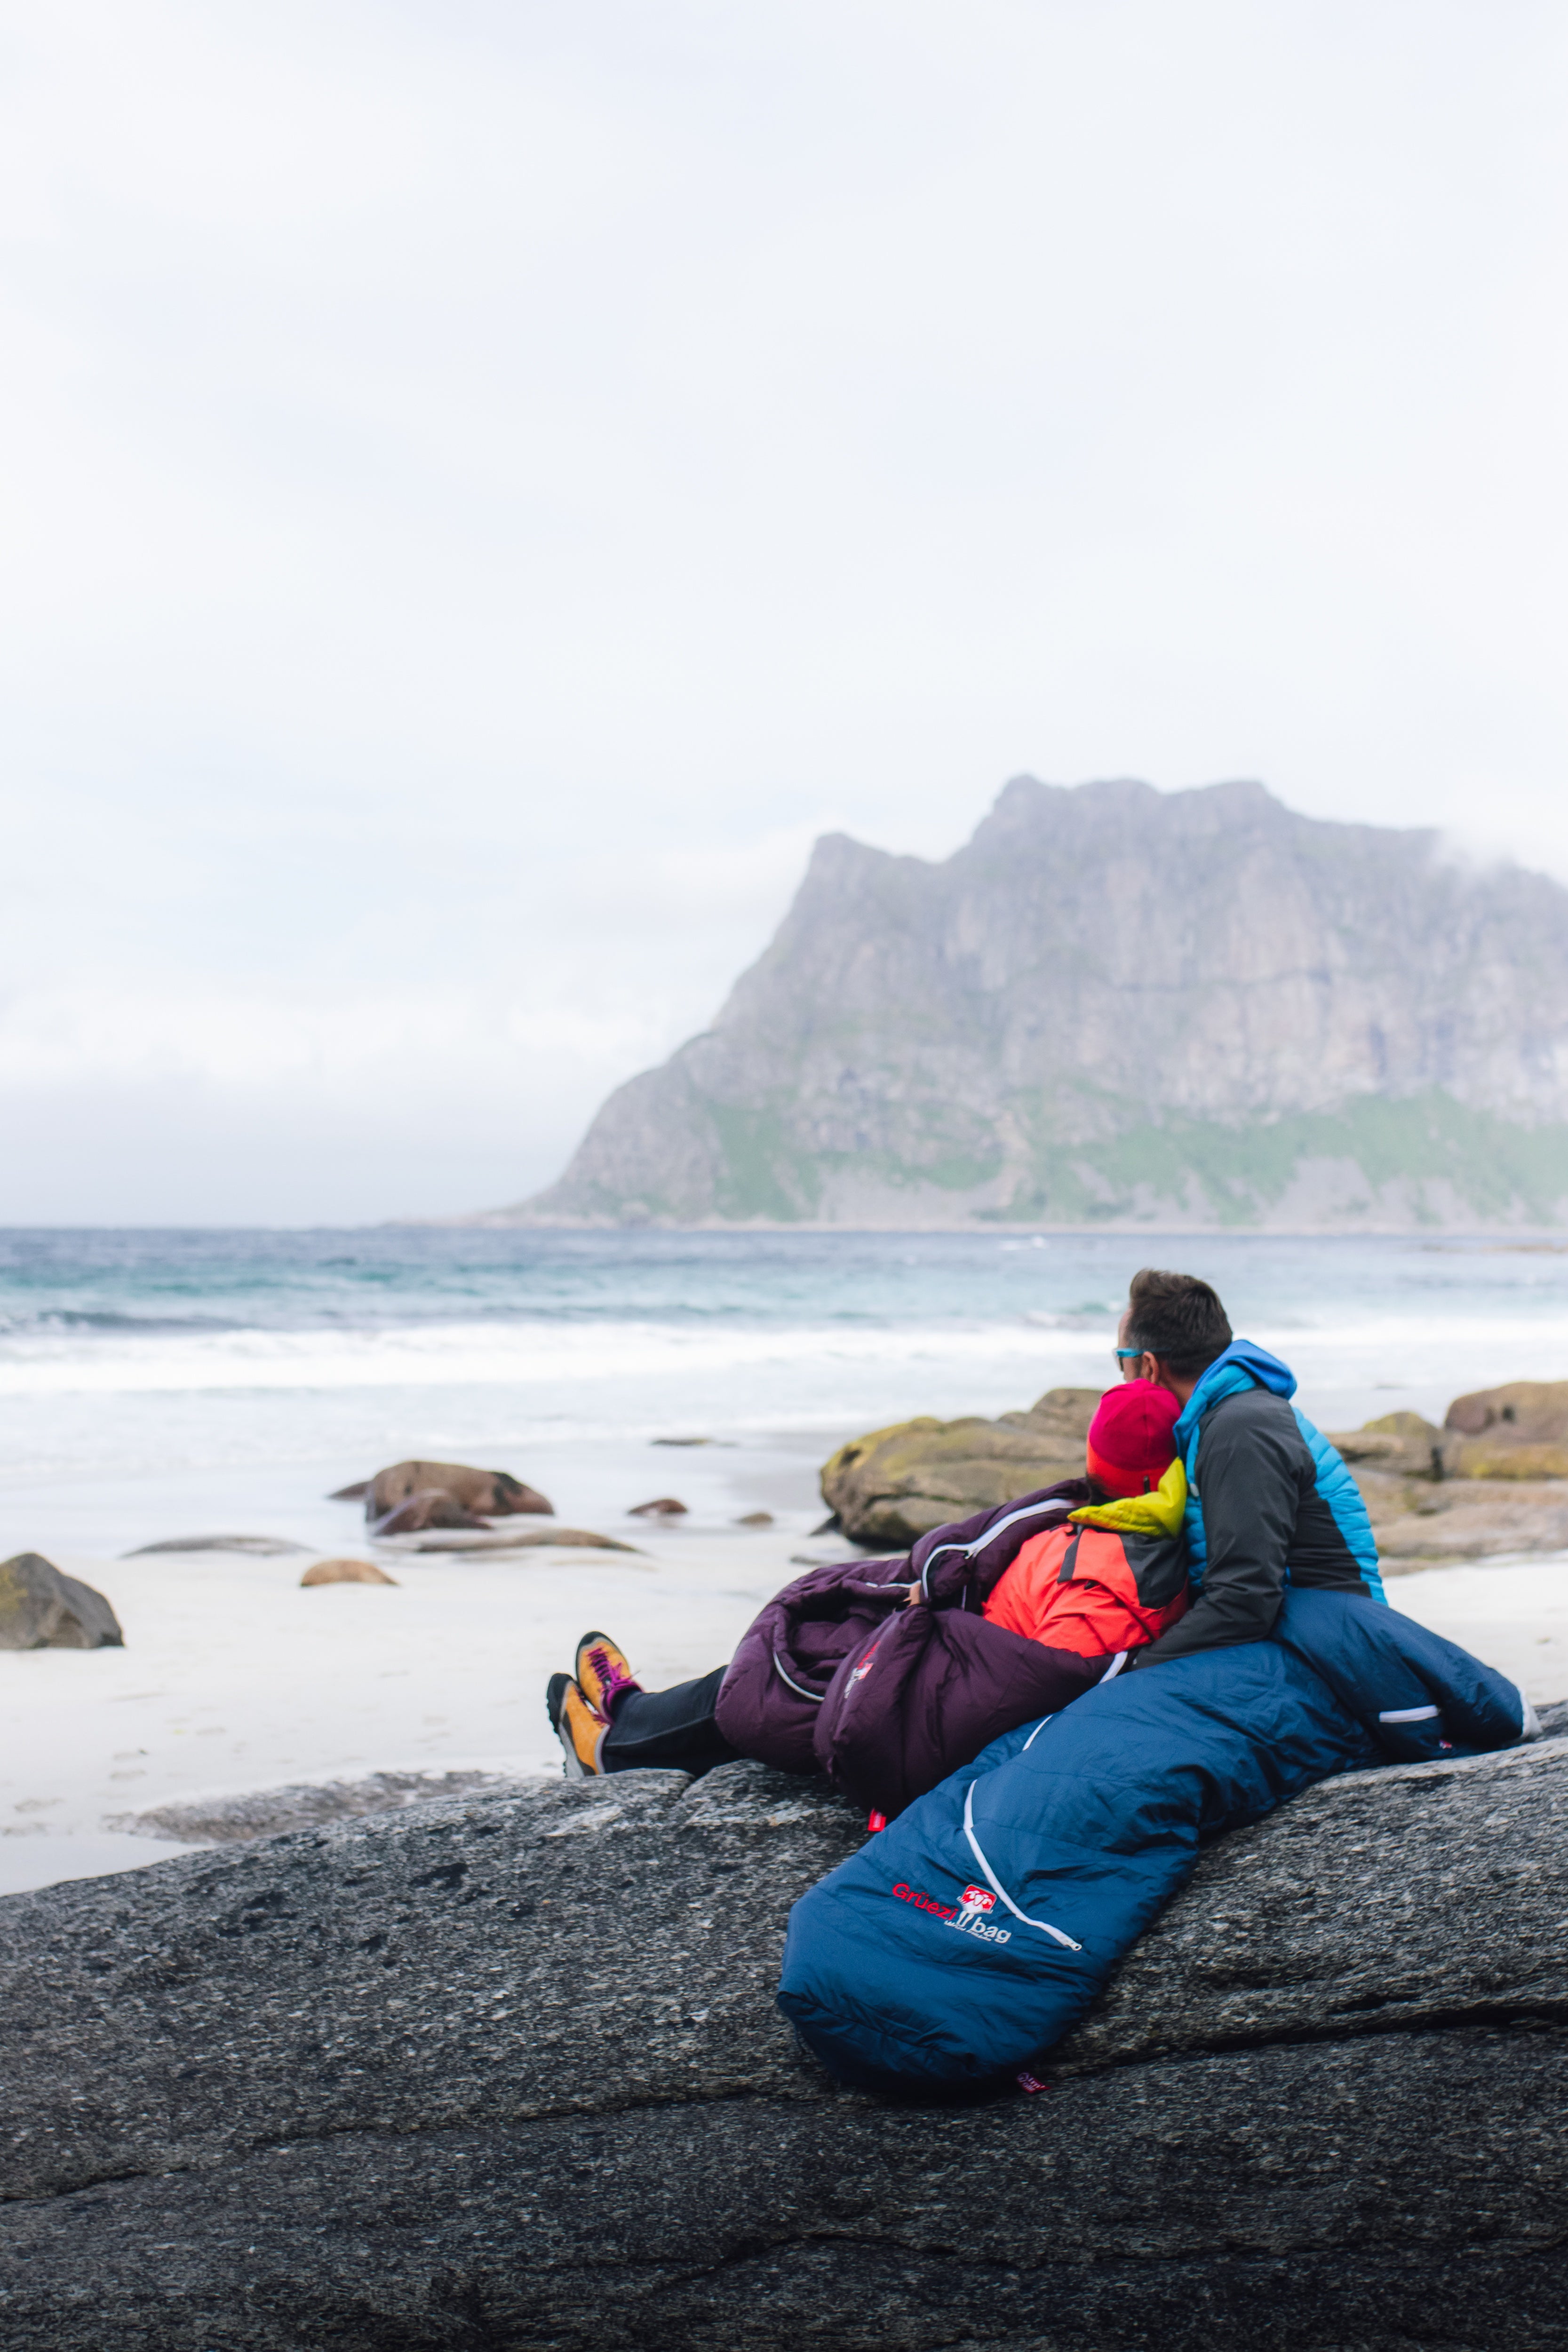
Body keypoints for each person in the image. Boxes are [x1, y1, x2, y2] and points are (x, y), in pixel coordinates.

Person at [546, 1378, 1193, 1803]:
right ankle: (634, 1719)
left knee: (788, 1681)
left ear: (1097, 1459)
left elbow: (1032, 1683)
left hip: (941, 1679)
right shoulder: (1111, 1523)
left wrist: (924, 1634)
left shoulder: (1112, 1575)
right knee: (813, 1639)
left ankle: (613, 1741)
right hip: (951, 1635)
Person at [1112, 1265, 1384, 1668]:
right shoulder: (1217, 1423)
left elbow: (1245, 1601)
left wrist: (1131, 1669)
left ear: (1149, 1367)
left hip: (1338, 1658)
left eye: (1121, 1362)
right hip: (1295, 1639)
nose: (1118, 1380)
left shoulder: (1241, 1429)